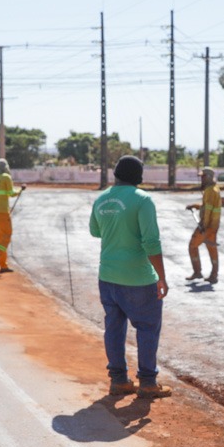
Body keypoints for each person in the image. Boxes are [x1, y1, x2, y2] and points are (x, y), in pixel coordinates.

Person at [90, 155, 172, 399]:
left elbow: (95, 231)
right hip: (138, 279)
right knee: (147, 328)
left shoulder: (101, 199)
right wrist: (161, 277)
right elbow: (151, 242)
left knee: (114, 328)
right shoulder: (143, 200)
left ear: (116, 174)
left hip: (107, 276)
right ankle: (147, 382)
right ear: (139, 177)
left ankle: (119, 381)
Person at [185, 167, 222, 284]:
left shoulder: (210, 191)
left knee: (192, 245)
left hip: (207, 226)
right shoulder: (214, 189)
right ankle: (214, 275)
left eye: (203, 176)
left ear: (209, 177)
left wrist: (203, 226)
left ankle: (197, 271)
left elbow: (208, 211)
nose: (201, 179)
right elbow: (207, 206)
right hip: (214, 226)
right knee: (212, 248)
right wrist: (196, 206)